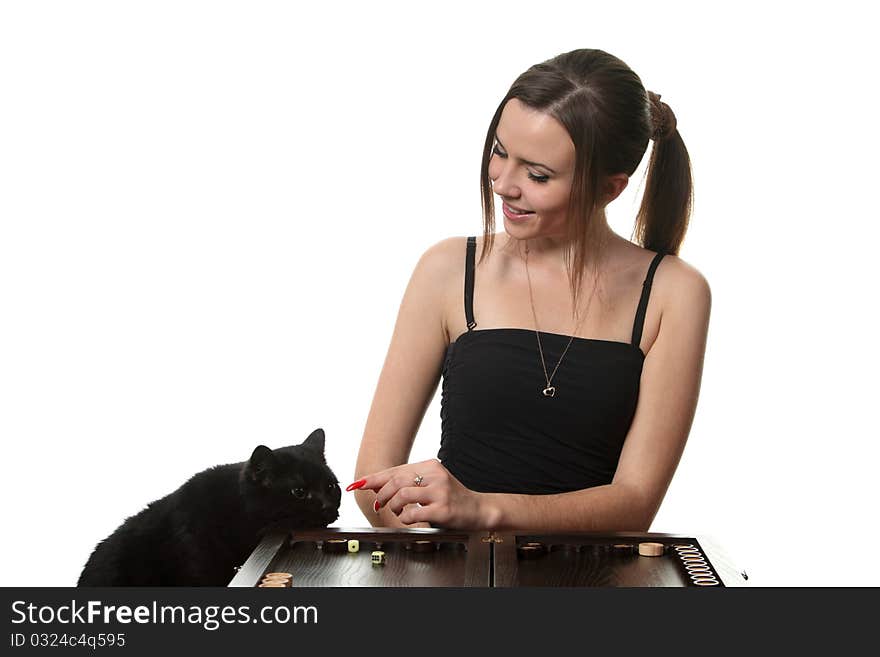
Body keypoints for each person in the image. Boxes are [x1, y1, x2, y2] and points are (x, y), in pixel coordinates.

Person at [346, 48, 710, 533]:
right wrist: (415, 505)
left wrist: (484, 510)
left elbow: (635, 502)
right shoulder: (448, 268)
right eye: (499, 152)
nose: (503, 184)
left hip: (590, 589)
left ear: (610, 189)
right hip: (454, 580)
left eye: (537, 175)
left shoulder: (673, 292)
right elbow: (372, 487)